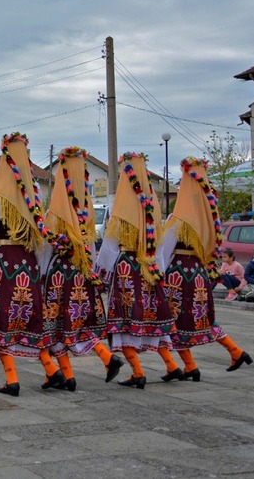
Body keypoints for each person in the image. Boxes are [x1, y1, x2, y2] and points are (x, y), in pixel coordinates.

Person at [0, 133, 58, 397]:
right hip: (28, 262)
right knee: (31, 318)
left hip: (4, 263)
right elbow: (43, 239)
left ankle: (12, 380)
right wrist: (40, 267)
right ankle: (51, 370)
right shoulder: (34, 201)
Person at [158, 156, 252, 379]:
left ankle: (190, 365)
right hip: (199, 273)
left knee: (172, 320)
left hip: (178, 275)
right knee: (202, 317)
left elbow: (163, 251)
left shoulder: (178, 220)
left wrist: (156, 275)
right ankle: (234, 351)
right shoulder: (209, 219)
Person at [42, 147, 123, 391]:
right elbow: (91, 248)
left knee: (54, 326)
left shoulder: (55, 215)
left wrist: (41, 273)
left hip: (59, 275)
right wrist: (92, 271)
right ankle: (106, 358)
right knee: (79, 323)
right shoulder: (87, 215)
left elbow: (46, 250)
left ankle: (67, 375)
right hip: (82, 273)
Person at [95, 152, 177, 390]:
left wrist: (100, 275)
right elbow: (159, 249)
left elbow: (109, 247)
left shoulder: (121, 214)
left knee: (123, 322)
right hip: (148, 268)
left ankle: (138, 372)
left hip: (127, 270)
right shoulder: (153, 212)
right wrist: (158, 273)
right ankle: (172, 365)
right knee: (153, 319)